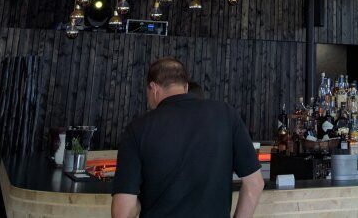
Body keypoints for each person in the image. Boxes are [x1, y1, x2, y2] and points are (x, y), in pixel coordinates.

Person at [111, 58, 264, 218]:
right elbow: (255, 183)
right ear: (185, 87)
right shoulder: (226, 115)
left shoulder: (137, 129)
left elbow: (122, 212)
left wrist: (140, 204)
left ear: (153, 88)